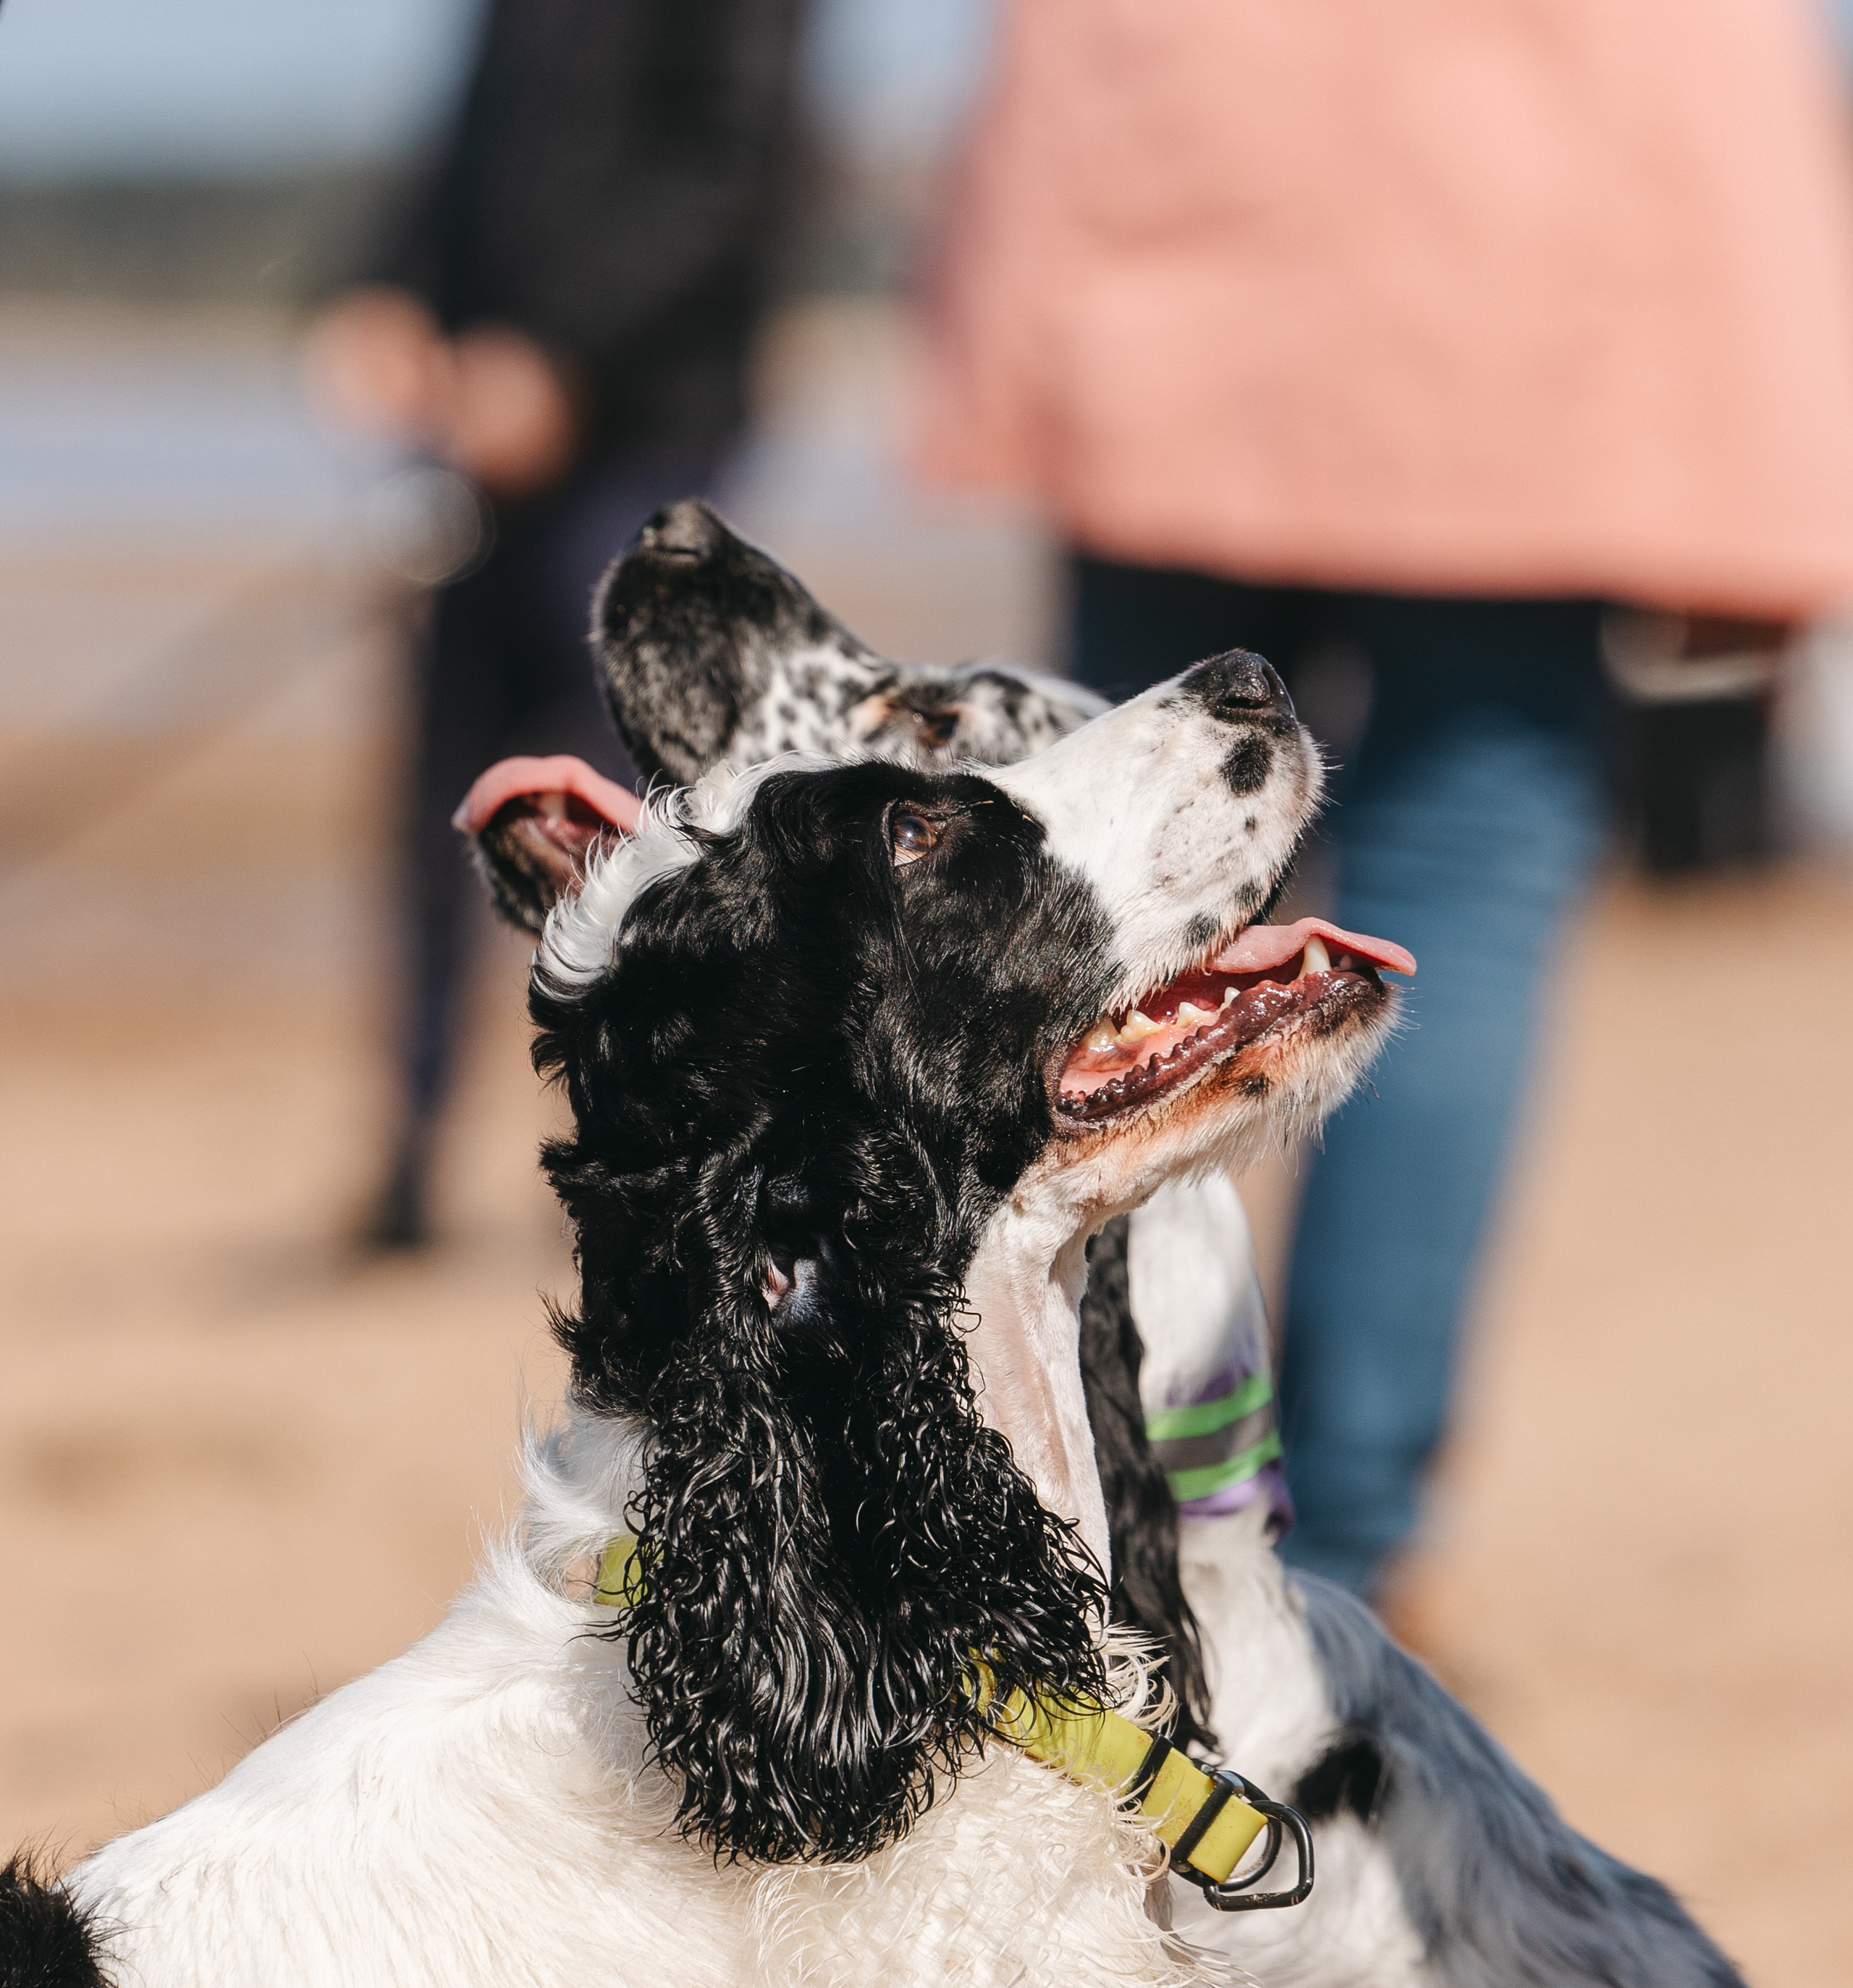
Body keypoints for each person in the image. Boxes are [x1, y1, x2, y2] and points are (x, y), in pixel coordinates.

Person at [914, 0, 1853, 1599]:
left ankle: (1054, 1486)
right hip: (1537, 285)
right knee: (1461, 890)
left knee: (1103, 895)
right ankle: (1334, 1546)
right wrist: (1759, 457)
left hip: (1175, 205)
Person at [307, 0, 802, 1248]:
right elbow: (467, 154)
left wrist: (560, 354)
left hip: (643, 436)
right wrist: (386, 292)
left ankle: (637, 1154)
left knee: (613, 809)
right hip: (482, 440)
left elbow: (728, 177)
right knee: (443, 784)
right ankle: (410, 1149)